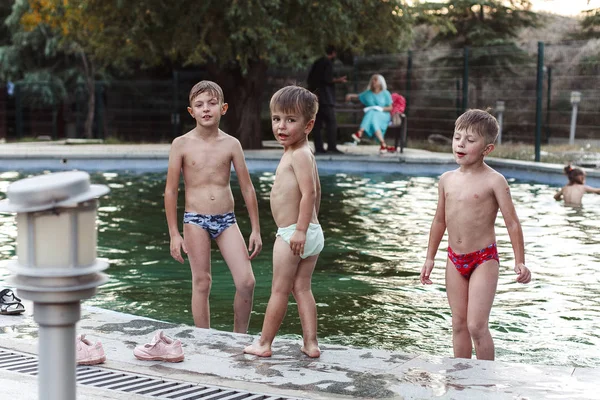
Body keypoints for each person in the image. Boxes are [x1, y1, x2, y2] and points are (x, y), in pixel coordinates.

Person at [420, 109, 532, 361]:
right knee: (458, 324)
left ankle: (485, 380)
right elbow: (439, 220)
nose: (461, 143)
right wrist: (430, 257)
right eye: (457, 137)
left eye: (470, 140)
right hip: (453, 258)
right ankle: (461, 379)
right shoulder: (446, 180)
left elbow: (512, 223)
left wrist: (520, 261)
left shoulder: (494, 180)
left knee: (476, 326)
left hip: (483, 259)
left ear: (487, 149)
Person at [164, 80, 262, 334]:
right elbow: (171, 190)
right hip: (195, 220)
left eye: (211, 103)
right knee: (202, 282)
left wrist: (255, 230)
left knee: (246, 281)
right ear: (191, 112)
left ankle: (239, 337)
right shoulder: (181, 144)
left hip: (226, 220)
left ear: (223, 108)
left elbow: (247, 188)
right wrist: (174, 234)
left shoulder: (232, 144)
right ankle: (204, 339)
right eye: (199, 105)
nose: (206, 109)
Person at [244, 85, 324, 358]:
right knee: (302, 288)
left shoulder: (299, 154)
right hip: (309, 231)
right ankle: (310, 343)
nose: (281, 126)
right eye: (277, 119)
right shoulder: (300, 151)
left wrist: (300, 230)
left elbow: (309, 193)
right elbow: (317, 191)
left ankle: (264, 343)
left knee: (279, 289)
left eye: (291, 120)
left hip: (293, 233)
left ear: (308, 124)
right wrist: (312, 226)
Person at [307, 45, 347, 154]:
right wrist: (338, 80)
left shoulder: (317, 62)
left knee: (317, 124)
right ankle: (331, 146)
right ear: (333, 53)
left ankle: (319, 148)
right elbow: (327, 79)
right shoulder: (328, 63)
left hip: (316, 97)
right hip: (326, 98)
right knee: (331, 123)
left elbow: (310, 79)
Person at [345, 74, 394, 154]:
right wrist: (349, 95)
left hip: (383, 115)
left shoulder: (386, 93)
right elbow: (358, 96)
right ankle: (383, 144)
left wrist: (380, 108)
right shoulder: (368, 93)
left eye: (375, 80)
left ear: (381, 82)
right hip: (373, 117)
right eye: (372, 80)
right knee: (372, 114)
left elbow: (390, 108)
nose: (373, 81)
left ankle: (360, 132)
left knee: (372, 113)